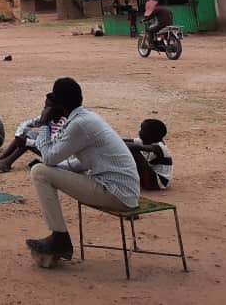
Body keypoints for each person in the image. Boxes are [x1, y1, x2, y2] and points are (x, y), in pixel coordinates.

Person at [26, 78, 140, 264]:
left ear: (58, 104)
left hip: (115, 192)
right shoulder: (86, 118)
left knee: (39, 171)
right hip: (123, 191)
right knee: (43, 169)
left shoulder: (79, 124)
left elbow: (49, 158)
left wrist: (45, 124)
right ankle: (59, 238)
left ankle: (60, 238)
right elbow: (80, 163)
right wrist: (56, 169)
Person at [0, 98, 66, 173]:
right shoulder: (50, 118)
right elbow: (26, 123)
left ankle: (6, 162)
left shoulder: (63, 123)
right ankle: (1, 159)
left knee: (27, 139)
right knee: (26, 134)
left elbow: (53, 145)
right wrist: (19, 135)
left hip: (57, 156)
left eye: (46, 107)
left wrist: (27, 142)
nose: (44, 109)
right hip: (48, 149)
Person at [124, 119, 173, 190]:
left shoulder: (160, 147)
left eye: (143, 130)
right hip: (150, 178)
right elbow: (124, 141)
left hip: (157, 183)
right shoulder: (147, 140)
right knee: (129, 149)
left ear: (151, 134)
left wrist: (116, 143)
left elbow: (134, 146)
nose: (139, 132)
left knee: (134, 152)